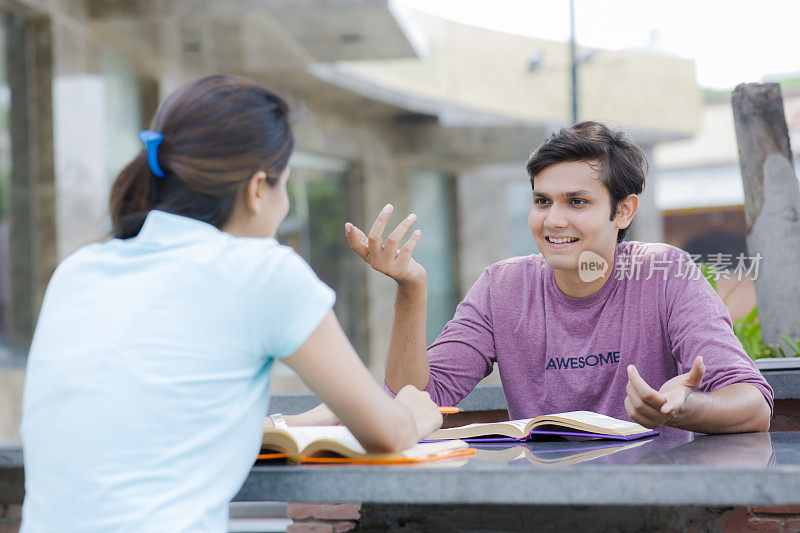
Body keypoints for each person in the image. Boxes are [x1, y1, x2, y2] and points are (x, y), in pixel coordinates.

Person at [19, 75, 442, 532]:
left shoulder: (79, 271)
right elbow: (387, 433)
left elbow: (157, 423)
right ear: (259, 188)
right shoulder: (261, 270)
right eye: (285, 187)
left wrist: (300, 419)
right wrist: (417, 411)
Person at [345, 121, 773, 437]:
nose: (553, 220)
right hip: (540, 499)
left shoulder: (666, 274)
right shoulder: (502, 286)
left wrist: (682, 408)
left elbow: (753, 404)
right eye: (542, 201)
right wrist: (411, 288)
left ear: (623, 211)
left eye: (577, 202)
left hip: (653, 500)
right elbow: (420, 395)